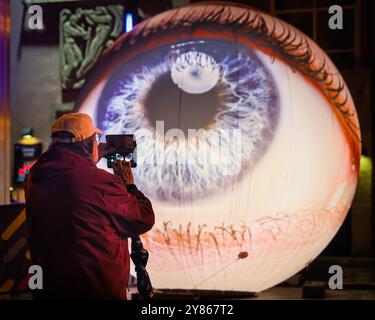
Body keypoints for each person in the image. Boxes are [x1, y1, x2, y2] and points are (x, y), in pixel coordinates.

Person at [24, 113, 155, 300]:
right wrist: (129, 184)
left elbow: (71, 183)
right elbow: (143, 218)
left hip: (50, 290)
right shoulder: (100, 183)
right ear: (87, 143)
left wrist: (88, 158)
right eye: (95, 138)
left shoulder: (34, 177)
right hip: (95, 290)